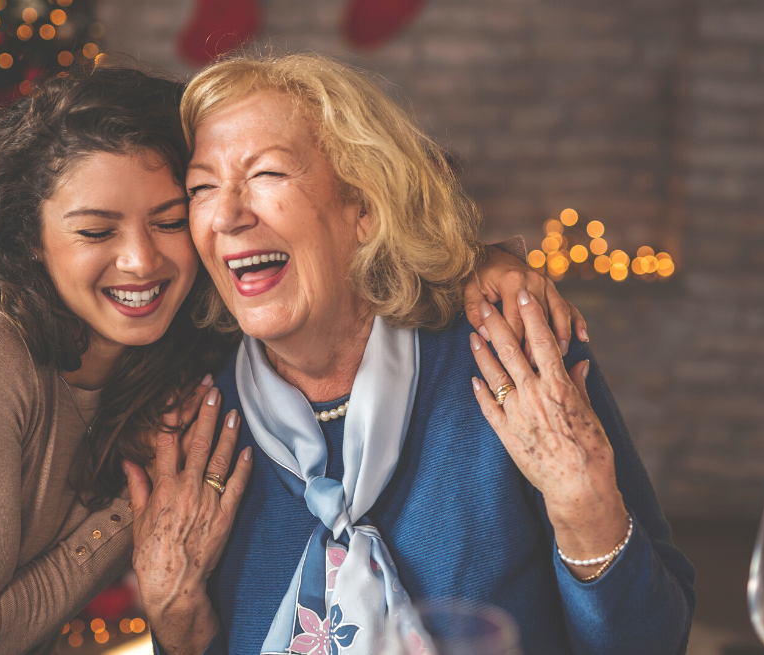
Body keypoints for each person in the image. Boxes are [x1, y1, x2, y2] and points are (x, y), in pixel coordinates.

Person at [0, 66, 577, 654]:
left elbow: (367, 228)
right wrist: (133, 517)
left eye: (172, 217)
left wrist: (484, 263)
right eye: (95, 231)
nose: (141, 261)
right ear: (31, 241)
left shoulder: (184, 349)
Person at [126, 53, 695, 655]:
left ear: (364, 210)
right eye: (202, 188)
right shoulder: (197, 427)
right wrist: (175, 618)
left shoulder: (510, 358)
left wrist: (586, 506)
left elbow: (654, 642)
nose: (228, 215)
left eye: (266, 174)